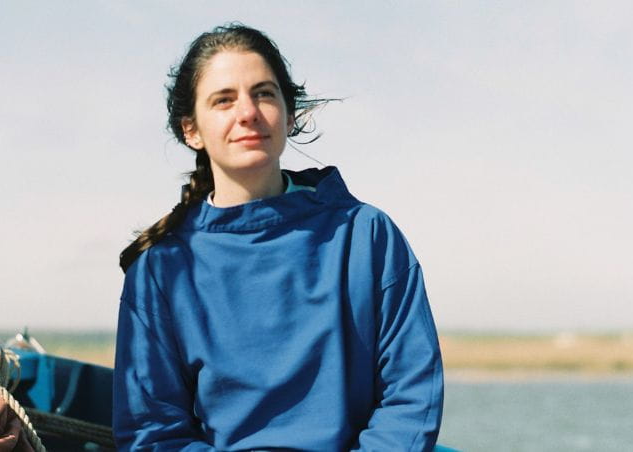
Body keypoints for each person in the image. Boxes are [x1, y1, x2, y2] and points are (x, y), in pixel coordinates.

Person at [113, 24, 443, 451]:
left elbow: (412, 397)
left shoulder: (365, 236)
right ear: (191, 130)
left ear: (290, 115)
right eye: (224, 100)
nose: (247, 112)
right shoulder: (162, 268)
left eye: (264, 93)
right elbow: (152, 432)